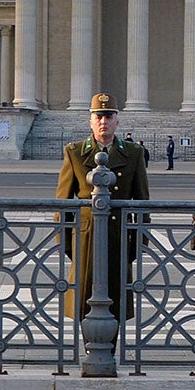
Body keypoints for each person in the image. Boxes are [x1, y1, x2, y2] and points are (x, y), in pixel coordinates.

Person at [56, 94, 151, 322]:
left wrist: (137, 245)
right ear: (90, 121)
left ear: (117, 120)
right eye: (98, 116)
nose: (103, 122)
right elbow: (63, 204)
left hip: (118, 238)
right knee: (84, 302)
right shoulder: (75, 153)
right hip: (85, 240)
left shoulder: (133, 154)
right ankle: (90, 351)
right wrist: (68, 245)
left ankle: (109, 352)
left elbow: (142, 203)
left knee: (116, 302)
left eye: (108, 116)